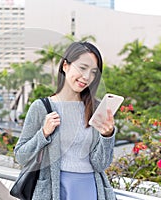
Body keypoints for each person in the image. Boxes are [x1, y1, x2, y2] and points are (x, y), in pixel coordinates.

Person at [14, 42, 117, 200]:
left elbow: (100, 164)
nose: (86, 77)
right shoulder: (42, 107)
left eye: (93, 72)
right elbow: (20, 156)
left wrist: (107, 136)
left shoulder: (95, 108)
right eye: (82, 68)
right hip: (56, 190)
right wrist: (43, 134)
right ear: (65, 66)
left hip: (90, 189)